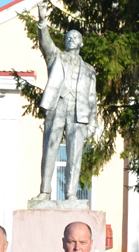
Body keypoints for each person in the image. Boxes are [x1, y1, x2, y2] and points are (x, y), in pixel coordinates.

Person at [32, 1, 97, 201]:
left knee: (75, 156)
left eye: (75, 38)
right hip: (57, 108)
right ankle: (45, 191)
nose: (71, 40)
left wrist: (93, 123)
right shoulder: (56, 58)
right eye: (68, 38)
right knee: (50, 149)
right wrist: (43, 21)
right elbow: (46, 43)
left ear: (81, 43)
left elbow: (92, 98)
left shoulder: (89, 70)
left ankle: (70, 194)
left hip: (79, 114)